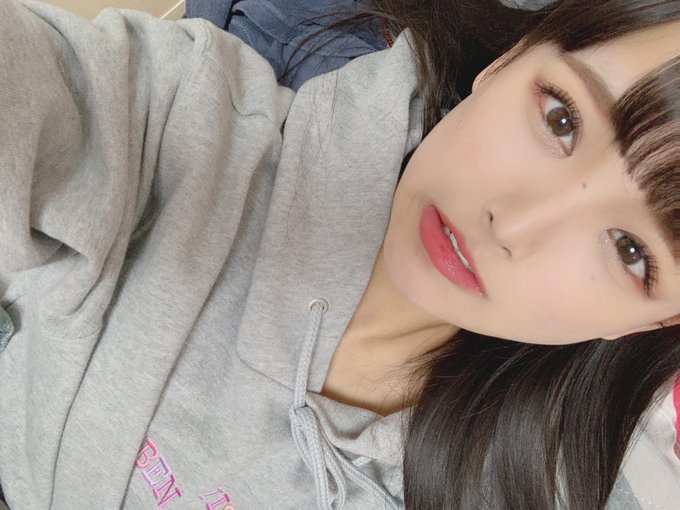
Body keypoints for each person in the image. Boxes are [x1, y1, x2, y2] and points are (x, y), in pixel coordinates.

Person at [0, 0, 677, 508]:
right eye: (562, 118)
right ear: (508, 62)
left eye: (631, 250)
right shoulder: (187, 125)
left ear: (654, 323)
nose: (513, 223)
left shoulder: (514, 488)